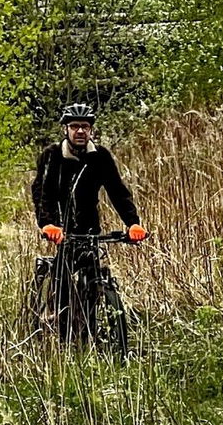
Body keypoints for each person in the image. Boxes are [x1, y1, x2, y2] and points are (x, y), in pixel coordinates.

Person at [32, 101, 146, 339]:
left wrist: (132, 223)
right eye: (75, 126)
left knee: (93, 277)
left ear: (91, 129)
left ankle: (91, 330)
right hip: (61, 228)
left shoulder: (101, 157)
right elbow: (44, 194)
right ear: (66, 129)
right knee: (63, 280)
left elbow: (117, 190)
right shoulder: (52, 156)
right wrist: (48, 224)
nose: (80, 131)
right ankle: (62, 331)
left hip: (89, 227)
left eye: (85, 126)